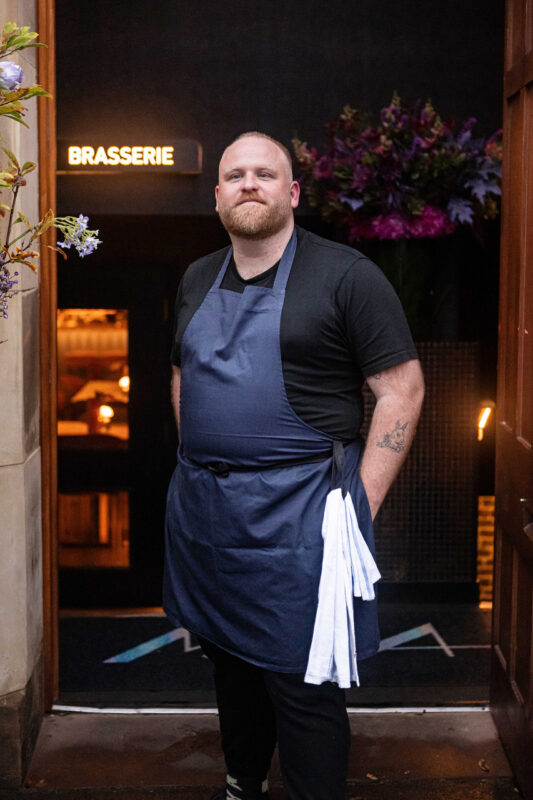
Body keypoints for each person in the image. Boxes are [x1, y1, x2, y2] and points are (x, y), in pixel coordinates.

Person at [164, 132, 425, 800]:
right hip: (206, 516)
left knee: (304, 679)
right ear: (217, 195)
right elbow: (183, 374)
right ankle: (242, 781)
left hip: (301, 517)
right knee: (229, 662)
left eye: (265, 173)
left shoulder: (346, 276)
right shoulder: (196, 277)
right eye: (235, 175)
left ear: (293, 192)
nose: (249, 184)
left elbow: (401, 391)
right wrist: (203, 456)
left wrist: (357, 509)